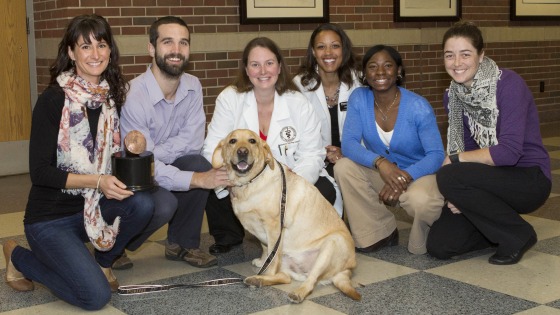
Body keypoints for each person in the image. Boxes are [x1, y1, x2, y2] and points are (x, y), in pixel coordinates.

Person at [1, 14, 155, 310]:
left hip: (92, 208)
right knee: (95, 297)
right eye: (85, 47)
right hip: (49, 218)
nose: (95, 54)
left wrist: (133, 143)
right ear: (71, 53)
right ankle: (17, 255)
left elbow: (108, 155)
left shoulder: (111, 97)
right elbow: (41, 172)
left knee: (144, 204)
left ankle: (102, 261)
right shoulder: (53, 101)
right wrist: (97, 181)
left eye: (101, 45)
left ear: (111, 50)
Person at [426, 21, 551, 265]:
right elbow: (470, 148)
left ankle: (519, 234)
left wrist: (455, 162)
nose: (456, 63)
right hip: (490, 180)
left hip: (528, 179)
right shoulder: (453, 95)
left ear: (481, 55)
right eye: (449, 55)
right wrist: (462, 197)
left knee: (449, 174)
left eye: (465, 54)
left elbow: (508, 153)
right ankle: (496, 227)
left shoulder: (508, 84)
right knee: (440, 246)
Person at [203, 37, 336, 254]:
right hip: (240, 179)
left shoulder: (298, 102)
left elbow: (313, 153)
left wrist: (289, 184)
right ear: (246, 69)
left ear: (280, 66)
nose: (263, 71)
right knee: (209, 179)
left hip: (286, 179)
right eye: (255, 64)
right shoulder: (230, 98)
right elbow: (212, 148)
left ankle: (293, 236)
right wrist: (233, 179)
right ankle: (229, 235)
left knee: (323, 191)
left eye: (269, 63)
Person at [119, 16, 227, 269]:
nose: (176, 50)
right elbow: (141, 164)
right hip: (131, 178)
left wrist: (156, 153)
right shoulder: (132, 95)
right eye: (168, 42)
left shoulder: (193, 85)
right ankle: (114, 244)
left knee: (197, 162)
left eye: (183, 43)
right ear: (151, 48)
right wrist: (195, 179)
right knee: (166, 202)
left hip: (157, 163)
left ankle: (182, 243)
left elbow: (192, 141)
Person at [334, 45, 445, 255]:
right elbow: (348, 143)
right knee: (344, 167)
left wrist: (404, 177)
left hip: (420, 174)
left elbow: (437, 155)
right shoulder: (359, 98)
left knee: (419, 202)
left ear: (399, 71)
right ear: (365, 74)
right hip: (384, 174)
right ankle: (379, 232)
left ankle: (431, 230)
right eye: (373, 67)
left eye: (388, 66)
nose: (380, 72)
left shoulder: (418, 106)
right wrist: (381, 164)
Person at [293, 23, 362, 216]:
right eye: (321, 47)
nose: (328, 52)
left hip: (353, 158)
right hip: (315, 159)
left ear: (344, 49)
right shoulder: (298, 86)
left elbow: (369, 129)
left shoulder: (361, 83)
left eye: (335, 45)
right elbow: (295, 134)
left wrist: (345, 152)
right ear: (313, 52)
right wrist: (320, 153)